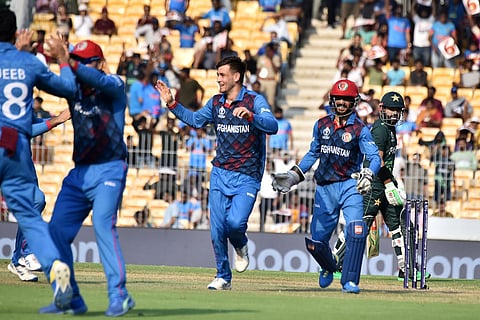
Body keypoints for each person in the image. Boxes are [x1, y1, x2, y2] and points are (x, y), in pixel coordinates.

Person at [155, 56, 278, 290]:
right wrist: (172, 104)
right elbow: (193, 120)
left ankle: (240, 245)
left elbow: (273, 126)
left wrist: (252, 117)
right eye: (217, 75)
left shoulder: (254, 101)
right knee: (217, 228)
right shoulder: (216, 103)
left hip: (248, 175)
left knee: (235, 224)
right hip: (220, 173)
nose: (218, 79)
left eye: (222, 75)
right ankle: (223, 275)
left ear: (236, 76)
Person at [44, 39, 135, 316]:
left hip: (110, 167)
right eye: (77, 60)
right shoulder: (74, 91)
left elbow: (95, 78)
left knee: (102, 226)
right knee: (56, 232)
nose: (80, 66)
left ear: (99, 63)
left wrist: (69, 63)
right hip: (80, 173)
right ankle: (71, 298)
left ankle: (119, 296)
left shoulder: (114, 85)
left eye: (85, 61)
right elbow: (48, 83)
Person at [271, 79, 381, 293]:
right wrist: (295, 175)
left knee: (357, 231)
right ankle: (327, 266)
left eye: (346, 99)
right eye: (338, 98)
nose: (341, 102)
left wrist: (368, 173)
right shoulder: (321, 125)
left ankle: (350, 281)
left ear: (354, 102)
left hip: (350, 185)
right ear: (332, 99)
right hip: (325, 188)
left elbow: (374, 156)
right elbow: (313, 153)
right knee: (316, 243)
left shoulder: (360, 129)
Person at [0, 8, 76, 312]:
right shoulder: (27, 62)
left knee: (35, 201)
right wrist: (62, 57)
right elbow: (69, 88)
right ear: (16, 32)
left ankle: (21, 260)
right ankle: (59, 280)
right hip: (12, 143)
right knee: (32, 210)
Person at [334, 91, 422, 281]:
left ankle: (405, 269)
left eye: (398, 110)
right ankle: (335, 262)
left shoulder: (391, 129)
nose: (394, 114)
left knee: (400, 224)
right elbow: (378, 159)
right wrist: (389, 183)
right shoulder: (380, 129)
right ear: (381, 108)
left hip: (386, 185)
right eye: (391, 109)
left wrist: (392, 185)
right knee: (359, 226)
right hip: (374, 185)